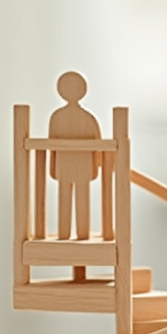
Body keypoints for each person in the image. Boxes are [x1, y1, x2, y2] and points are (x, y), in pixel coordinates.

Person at [48, 71, 101, 241]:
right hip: (82, 166)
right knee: (82, 201)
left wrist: (52, 167)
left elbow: (51, 148)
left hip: (64, 166)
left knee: (65, 200)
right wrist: (96, 166)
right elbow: (97, 147)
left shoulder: (57, 117)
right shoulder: (88, 118)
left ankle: (64, 234)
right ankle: (82, 234)